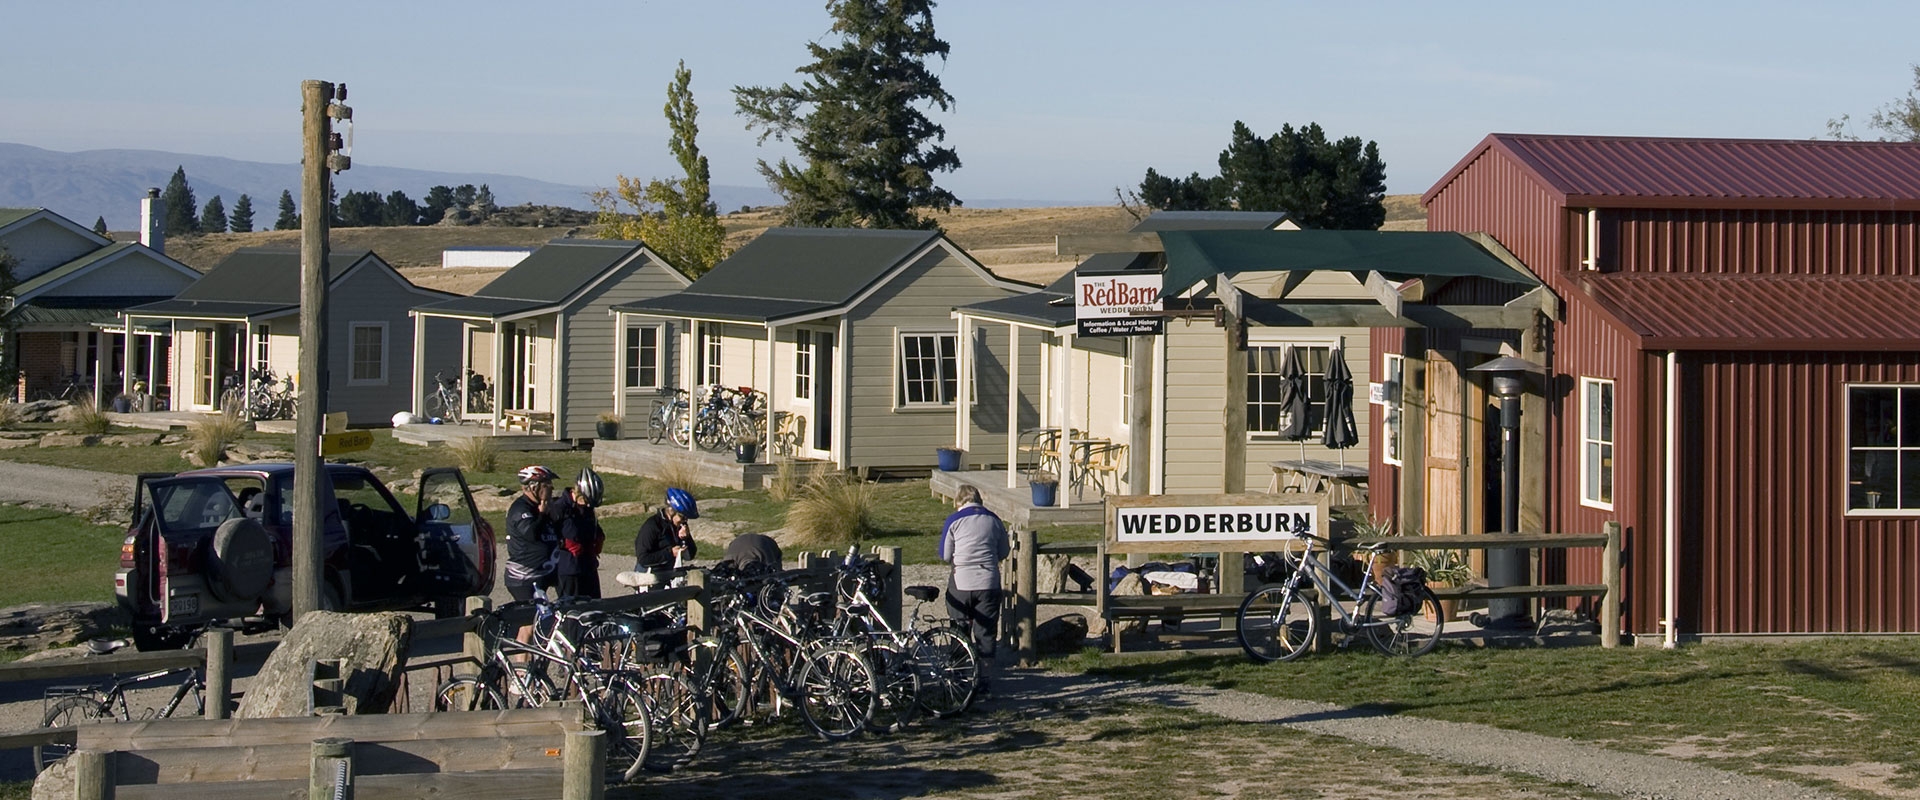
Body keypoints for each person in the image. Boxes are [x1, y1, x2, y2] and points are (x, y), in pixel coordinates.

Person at [939, 483, 1008, 696]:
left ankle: (960, 675)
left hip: (961, 582)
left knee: (959, 630)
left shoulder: (953, 521)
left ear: (958, 501)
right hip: (988, 581)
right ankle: (984, 679)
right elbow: (1004, 551)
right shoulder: (994, 520)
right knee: (985, 632)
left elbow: (945, 555)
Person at [504, 465, 560, 603]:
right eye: (546, 484)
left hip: (544, 572)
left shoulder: (544, 506)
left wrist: (554, 517)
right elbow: (531, 534)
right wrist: (542, 514)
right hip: (524, 577)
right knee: (532, 614)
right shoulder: (520, 509)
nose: (551, 488)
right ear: (533, 487)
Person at [553, 468, 606, 600]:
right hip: (569, 569)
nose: (588, 506)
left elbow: (592, 528)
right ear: (578, 493)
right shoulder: (559, 508)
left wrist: (598, 536)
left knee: (596, 606)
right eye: (586, 501)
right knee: (573, 608)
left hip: (589, 565)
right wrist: (563, 543)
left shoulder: (588, 508)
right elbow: (547, 535)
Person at [634, 487, 698, 584]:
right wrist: (670, 553)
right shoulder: (652, 526)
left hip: (669, 577)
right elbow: (643, 558)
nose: (684, 521)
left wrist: (686, 538)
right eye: (682, 517)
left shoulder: (680, 526)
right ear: (671, 511)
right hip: (649, 579)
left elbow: (690, 556)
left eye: (686, 518)